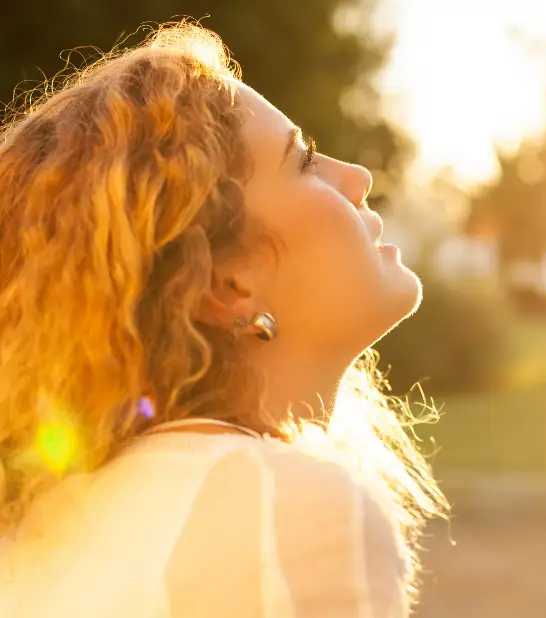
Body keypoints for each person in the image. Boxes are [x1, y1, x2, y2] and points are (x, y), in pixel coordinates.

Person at [0, 22, 446, 618]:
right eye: (306, 162)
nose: (357, 178)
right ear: (228, 283)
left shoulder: (45, 524)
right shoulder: (291, 509)